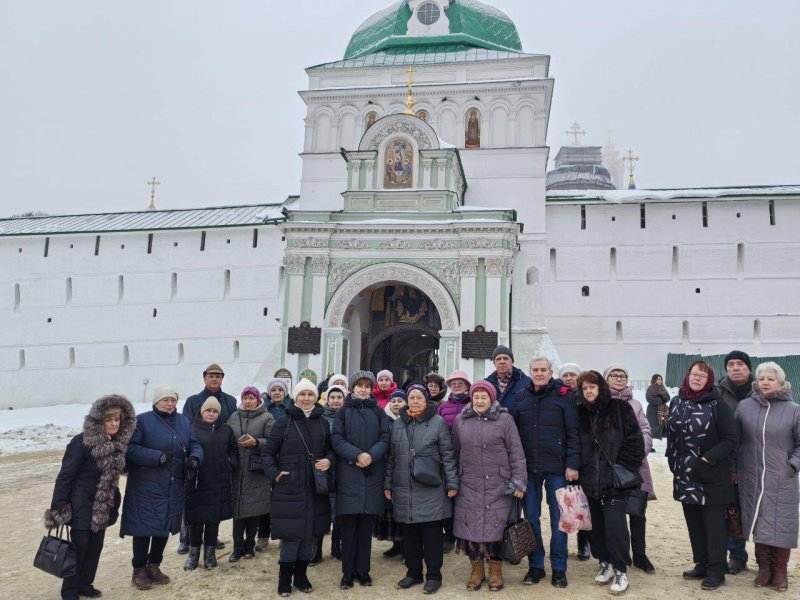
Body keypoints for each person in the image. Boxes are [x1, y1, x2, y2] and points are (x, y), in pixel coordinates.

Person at [45, 394, 136, 600]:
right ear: (98, 421)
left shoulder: (117, 445)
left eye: (117, 420)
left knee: (95, 548)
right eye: (108, 420)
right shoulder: (81, 442)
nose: (113, 424)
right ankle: (69, 591)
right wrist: (59, 507)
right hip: (81, 505)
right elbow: (65, 476)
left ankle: (85, 584)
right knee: (78, 549)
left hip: (104, 506)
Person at [121, 385, 203, 591]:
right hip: (146, 486)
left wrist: (195, 458)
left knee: (164, 528)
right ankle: (138, 570)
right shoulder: (142, 421)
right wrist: (156, 457)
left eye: (173, 400)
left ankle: (154, 566)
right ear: (156, 401)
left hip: (174, 485)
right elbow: (130, 448)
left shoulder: (183, 421)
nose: (169, 403)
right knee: (143, 528)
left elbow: (195, 443)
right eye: (165, 400)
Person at [666, 361, 737, 590]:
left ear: (709, 381)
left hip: (711, 476)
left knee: (713, 525)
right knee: (694, 522)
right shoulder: (678, 401)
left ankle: (717, 569)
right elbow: (672, 434)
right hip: (685, 474)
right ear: (688, 376)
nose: (697, 378)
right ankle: (702, 563)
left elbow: (730, 439)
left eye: (702, 376)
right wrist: (671, 458)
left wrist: (707, 459)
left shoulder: (717, 404)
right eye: (694, 374)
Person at [261, 379, 334, 597]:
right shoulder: (284, 423)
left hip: (315, 487)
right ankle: (285, 579)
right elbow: (267, 453)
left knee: (310, 535)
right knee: (291, 537)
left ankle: (301, 576)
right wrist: (274, 473)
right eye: (302, 395)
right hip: (290, 487)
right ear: (295, 397)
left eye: (310, 395)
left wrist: (329, 461)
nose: (306, 398)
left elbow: (331, 450)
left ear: (315, 397)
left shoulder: (322, 423)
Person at [575, 371, 645, 596]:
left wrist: (622, 465)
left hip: (615, 481)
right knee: (595, 527)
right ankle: (604, 562)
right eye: (584, 388)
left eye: (592, 387)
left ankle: (620, 569)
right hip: (590, 481)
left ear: (601, 387)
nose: (589, 391)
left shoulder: (619, 408)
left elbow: (635, 441)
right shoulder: (580, 413)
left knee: (615, 527)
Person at [452, 380, 526, 592]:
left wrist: (519, 481)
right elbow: (454, 452)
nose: (480, 400)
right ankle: (476, 571)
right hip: (469, 483)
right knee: (471, 527)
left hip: (498, 484)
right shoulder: (461, 420)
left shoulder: (505, 420)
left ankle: (495, 571)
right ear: (471, 398)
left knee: (497, 527)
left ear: (492, 398)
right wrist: (453, 480)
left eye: (484, 396)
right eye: (476, 396)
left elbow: (516, 452)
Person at [385, 383, 459, 594]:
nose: (415, 401)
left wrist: (452, 483)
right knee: (409, 536)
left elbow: (448, 455)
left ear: (426, 401)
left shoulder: (438, 423)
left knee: (432, 536)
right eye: (412, 397)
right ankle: (413, 572)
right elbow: (391, 457)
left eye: (419, 397)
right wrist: (387, 483)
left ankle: (434, 575)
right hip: (403, 487)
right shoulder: (398, 424)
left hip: (430, 487)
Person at [513, 357, 580, 588]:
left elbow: (573, 432)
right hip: (529, 469)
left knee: (558, 520)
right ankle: (536, 566)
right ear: (530, 372)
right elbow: (514, 436)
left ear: (551, 372)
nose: (539, 373)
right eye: (535, 370)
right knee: (531, 518)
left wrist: (572, 464)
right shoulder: (522, 396)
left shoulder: (564, 396)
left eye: (543, 370)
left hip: (557, 468)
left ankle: (559, 569)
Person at [735, 361, 800, 592]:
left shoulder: (794, 409)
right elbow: (736, 440)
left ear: (781, 382)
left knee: (782, 523)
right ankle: (764, 569)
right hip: (752, 476)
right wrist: (736, 469)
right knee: (758, 521)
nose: (765, 382)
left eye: (770, 378)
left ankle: (780, 571)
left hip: (783, 477)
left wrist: (791, 465)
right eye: (761, 378)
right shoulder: (744, 407)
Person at [331, 370, 391, 589]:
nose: (364, 389)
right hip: (349, 475)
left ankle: (363, 572)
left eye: (367, 386)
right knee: (349, 530)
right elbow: (336, 439)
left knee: (366, 530)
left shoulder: (379, 413)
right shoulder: (342, 413)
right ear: (353, 388)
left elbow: (386, 437)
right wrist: (357, 455)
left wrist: (371, 456)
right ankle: (347, 573)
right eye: (360, 385)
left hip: (371, 475)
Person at [178, 363, 237, 553]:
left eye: (218, 376)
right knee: (192, 500)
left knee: (213, 499)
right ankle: (186, 538)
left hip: (218, 457)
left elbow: (228, 428)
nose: (214, 378)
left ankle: (212, 538)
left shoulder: (229, 401)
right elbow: (185, 429)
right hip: (198, 457)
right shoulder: (193, 401)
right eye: (211, 375)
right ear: (204, 378)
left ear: (222, 378)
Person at [604, 365, 656, 575]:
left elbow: (645, 429)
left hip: (635, 465)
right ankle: (616, 555)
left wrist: (637, 452)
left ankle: (640, 555)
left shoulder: (635, 405)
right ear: (606, 379)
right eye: (614, 375)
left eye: (622, 375)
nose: (618, 378)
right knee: (612, 513)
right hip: (610, 466)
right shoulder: (603, 403)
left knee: (637, 511)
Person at [184, 397, 238, 571]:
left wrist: (231, 463)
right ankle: (193, 556)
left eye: (215, 411)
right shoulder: (191, 428)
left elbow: (233, 449)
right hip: (198, 482)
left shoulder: (226, 430)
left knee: (213, 520)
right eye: (208, 410)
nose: (211, 414)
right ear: (202, 412)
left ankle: (210, 555)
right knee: (196, 521)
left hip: (218, 481)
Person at [716, 350, 754, 574]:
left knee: (758, 511)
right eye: (730, 364)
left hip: (756, 462)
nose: (735, 367)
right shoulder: (718, 392)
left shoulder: (760, 390)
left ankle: (765, 558)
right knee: (732, 510)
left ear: (749, 368)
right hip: (726, 462)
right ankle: (737, 555)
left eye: (740, 363)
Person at [227, 385, 275, 561]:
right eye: (245, 398)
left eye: (251, 398)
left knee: (254, 510)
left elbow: (272, 442)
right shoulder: (233, 417)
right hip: (237, 469)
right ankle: (237, 548)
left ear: (258, 400)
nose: (248, 401)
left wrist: (256, 442)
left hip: (256, 470)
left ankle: (249, 546)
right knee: (238, 512)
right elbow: (227, 439)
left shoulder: (266, 417)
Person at [558, 362, 591, 562]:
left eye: (573, 375)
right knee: (568, 501)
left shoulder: (585, 397)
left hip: (584, 456)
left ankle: (584, 542)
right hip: (565, 455)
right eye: (566, 375)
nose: (569, 378)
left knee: (582, 501)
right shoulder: (560, 396)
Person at [375, 389, 407, 558]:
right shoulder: (383, 419)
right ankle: (395, 544)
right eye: (393, 401)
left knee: (403, 509)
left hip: (404, 469)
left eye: (400, 402)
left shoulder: (409, 420)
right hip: (387, 468)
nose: (396, 404)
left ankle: (405, 547)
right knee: (390, 509)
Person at [323, 384, 347, 560]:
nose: (336, 401)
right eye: (333, 397)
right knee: (323, 507)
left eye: (339, 397)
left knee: (340, 509)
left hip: (343, 467)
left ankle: (336, 545)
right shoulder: (320, 417)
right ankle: (316, 548)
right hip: (324, 467)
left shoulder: (347, 416)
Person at [485, 345, 532, 412]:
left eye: (505, 358)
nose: (502, 361)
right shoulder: (487, 384)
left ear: (512, 361)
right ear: (494, 363)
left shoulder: (527, 382)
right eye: (498, 359)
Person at [645, 374, 670, 441]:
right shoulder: (650, 388)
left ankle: (662, 436)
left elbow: (668, 397)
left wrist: (664, 399)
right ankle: (650, 443)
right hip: (653, 411)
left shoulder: (663, 388)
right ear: (654, 379)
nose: (660, 381)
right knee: (653, 427)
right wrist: (659, 400)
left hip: (663, 409)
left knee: (663, 423)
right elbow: (649, 398)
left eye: (661, 379)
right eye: (658, 379)